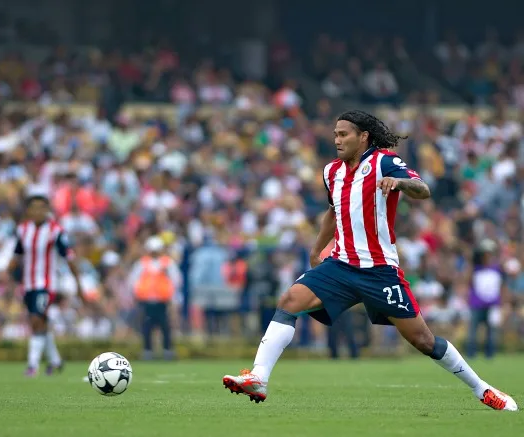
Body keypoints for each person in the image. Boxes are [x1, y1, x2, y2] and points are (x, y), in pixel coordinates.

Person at [222, 110, 518, 411]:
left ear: (363, 136)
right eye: (335, 134)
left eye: (343, 134)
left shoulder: (384, 162)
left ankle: (482, 389)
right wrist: (317, 249)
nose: (337, 140)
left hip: (379, 272)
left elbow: (423, 190)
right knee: (289, 300)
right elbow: (333, 210)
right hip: (340, 266)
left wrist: (399, 183)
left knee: (423, 341)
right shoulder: (331, 172)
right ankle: (259, 377)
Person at [7, 194, 83, 377]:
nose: (38, 211)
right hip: (28, 284)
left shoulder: (55, 231)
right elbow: (16, 256)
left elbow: (69, 257)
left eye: (42, 208)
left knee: (36, 320)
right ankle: (56, 361)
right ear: (28, 211)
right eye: (34, 208)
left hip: (47, 284)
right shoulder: (23, 230)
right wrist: (7, 274)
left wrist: (78, 283)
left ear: (48, 210)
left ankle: (32, 365)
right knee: (41, 323)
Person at [128, 236, 182, 360]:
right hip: (146, 301)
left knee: (165, 326)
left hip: (162, 301)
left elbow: (176, 280)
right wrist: (136, 295)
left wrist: (173, 297)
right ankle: (147, 350)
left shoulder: (167, 263)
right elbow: (133, 280)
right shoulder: (142, 263)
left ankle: (167, 350)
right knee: (147, 326)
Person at [466, 239, 506, 359]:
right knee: (473, 330)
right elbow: (468, 281)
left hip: (492, 304)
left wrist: (502, 303)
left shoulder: (498, 269)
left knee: (491, 331)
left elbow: (501, 287)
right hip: (477, 304)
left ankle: (489, 354)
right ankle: (471, 353)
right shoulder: (475, 269)